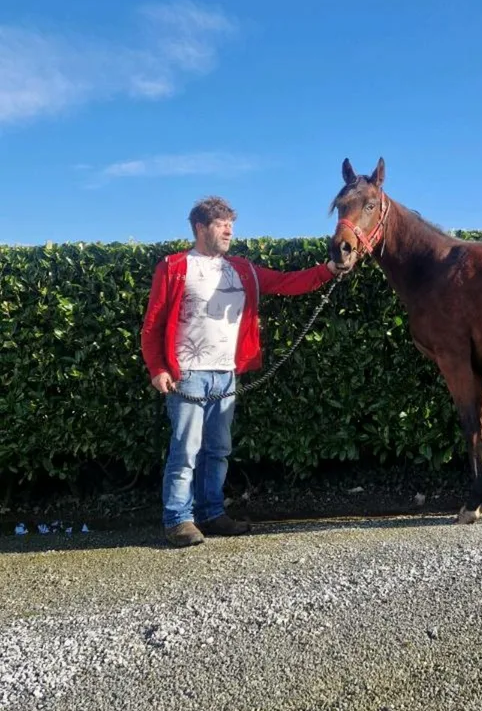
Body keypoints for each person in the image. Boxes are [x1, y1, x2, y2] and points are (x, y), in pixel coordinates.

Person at [141, 195, 338, 547]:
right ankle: (178, 520)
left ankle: (212, 514)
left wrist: (330, 271)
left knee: (218, 449)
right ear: (200, 228)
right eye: (220, 224)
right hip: (186, 374)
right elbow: (153, 323)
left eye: (231, 223)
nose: (229, 230)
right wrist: (158, 368)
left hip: (226, 373)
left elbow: (287, 282)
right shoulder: (173, 267)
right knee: (185, 450)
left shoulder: (243, 270)